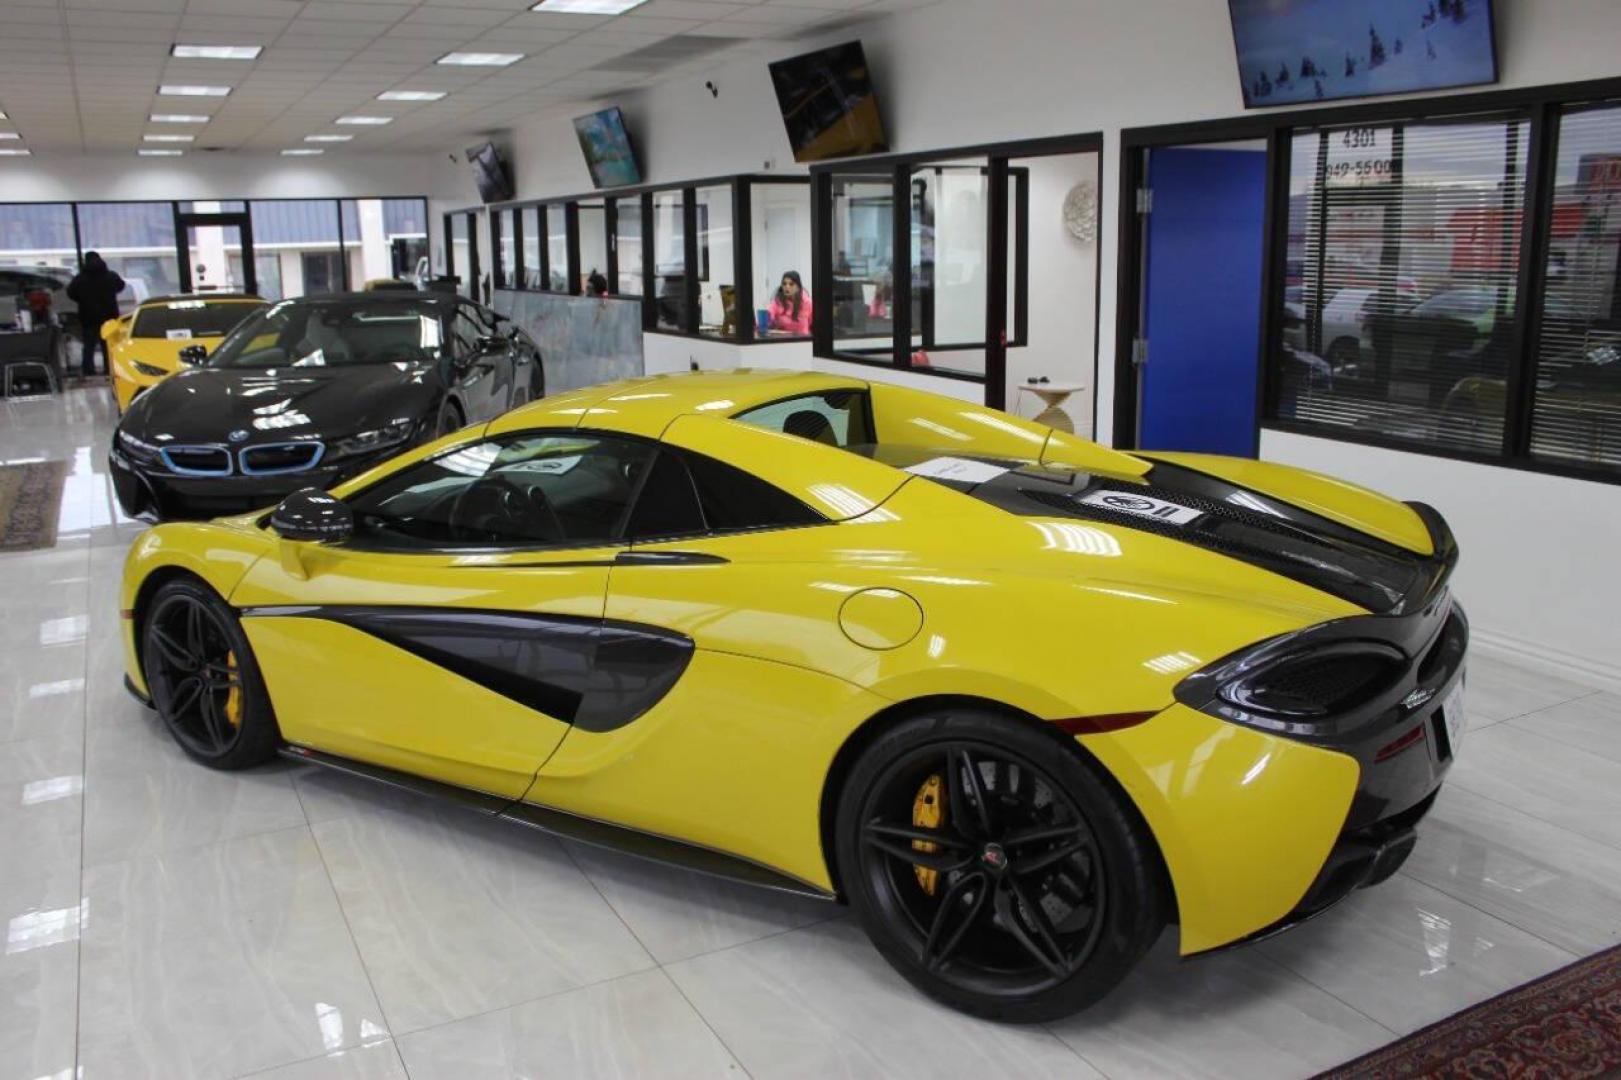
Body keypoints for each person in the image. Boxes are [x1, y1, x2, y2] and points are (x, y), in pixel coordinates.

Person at [66, 251, 125, 377]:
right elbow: (121, 286)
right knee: (108, 345)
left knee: (89, 345)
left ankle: (88, 370)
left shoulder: (80, 278)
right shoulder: (111, 276)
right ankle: (109, 368)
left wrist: (82, 299)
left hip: (88, 316)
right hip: (109, 316)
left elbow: (71, 293)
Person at [767, 270, 813, 335]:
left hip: (803, 341)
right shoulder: (777, 302)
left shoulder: (807, 302)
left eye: (791, 284)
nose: (787, 287)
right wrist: (766, 320)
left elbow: (813, 323)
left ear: (798, 287)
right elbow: (768, 317)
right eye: (784, 284)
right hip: (783, 341)